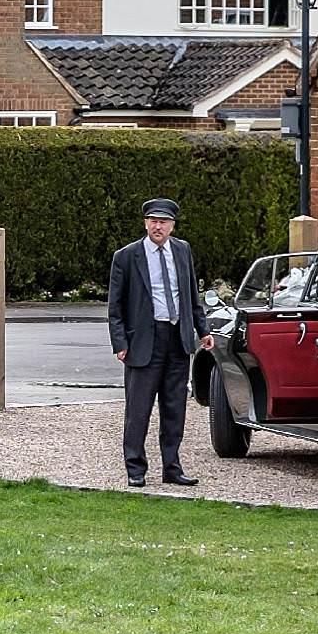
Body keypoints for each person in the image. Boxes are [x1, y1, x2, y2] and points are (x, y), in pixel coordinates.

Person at [108, 195, 216, 489]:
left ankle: (172, 466)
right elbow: (115, 306)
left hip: (177, 339)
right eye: (154, 221)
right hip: (144, 341)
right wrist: (120, 342)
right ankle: (135, 467)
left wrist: (202, 329)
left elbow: (191, 294)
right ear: (145, 223)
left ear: (172, 225)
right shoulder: (127, 256)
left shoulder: (182, 251)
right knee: (138, 409)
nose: (159, 226)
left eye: (164, 222)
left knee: (174, 407)